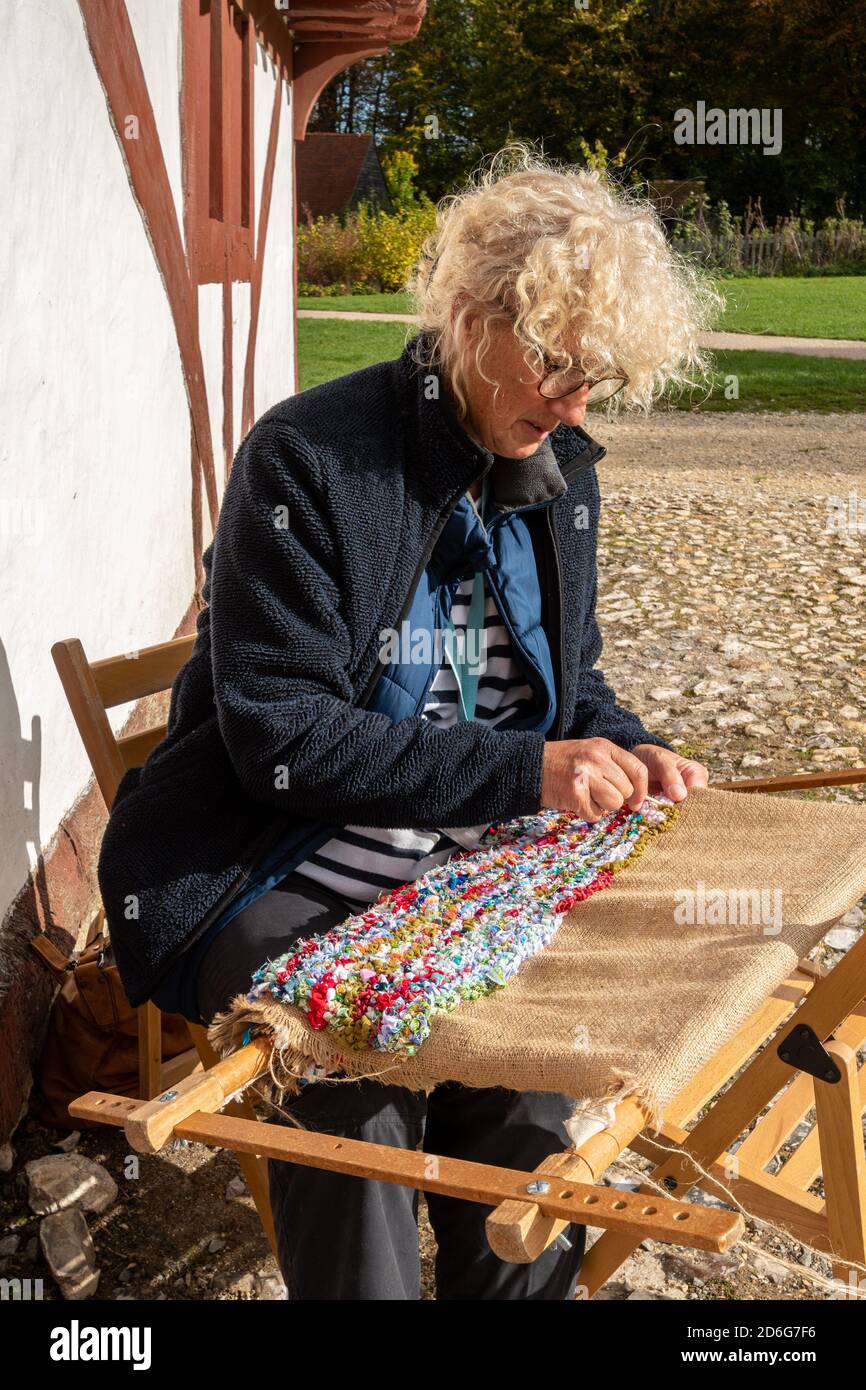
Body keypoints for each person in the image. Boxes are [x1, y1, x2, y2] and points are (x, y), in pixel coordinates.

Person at [97, 142, 718, 1300]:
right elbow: (280, 742)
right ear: (473, 318)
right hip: (274, 859)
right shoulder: (307, 459)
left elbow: (565, 686)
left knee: (529, 1092)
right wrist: (527, 774)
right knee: (351, 1096)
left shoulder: (557, 467)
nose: (575, 407)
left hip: (463, 865)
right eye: (555, 368)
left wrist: (625, 741)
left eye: (596, 381)